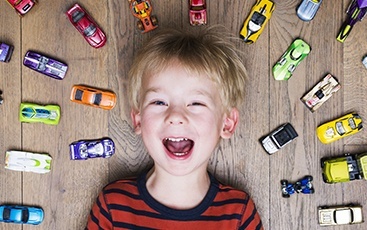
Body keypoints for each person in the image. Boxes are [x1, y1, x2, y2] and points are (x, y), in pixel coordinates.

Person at [86, 27, 263, 230]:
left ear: (227, 123)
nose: (176, 116)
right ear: (138, 120)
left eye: (196, 103)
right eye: (159, 102)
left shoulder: (238, 213)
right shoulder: (112, 206)